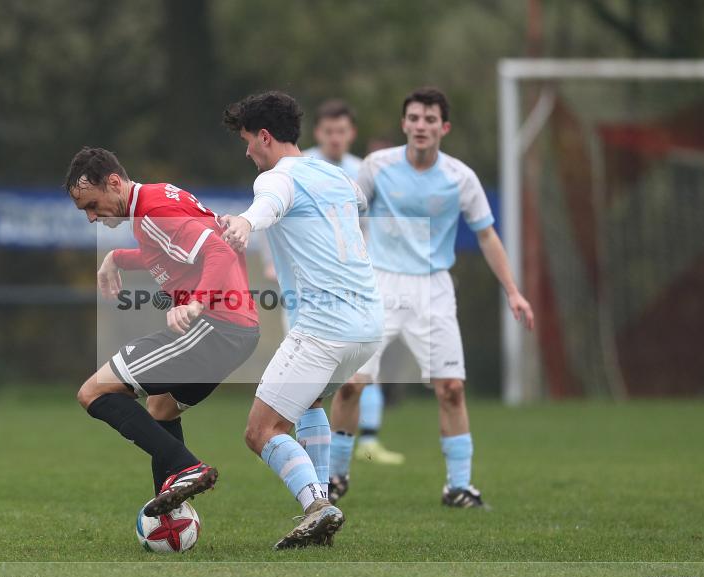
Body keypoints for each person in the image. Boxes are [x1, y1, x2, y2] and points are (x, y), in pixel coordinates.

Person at [329, 87, 535, 508]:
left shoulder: (460, 177)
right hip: (379, 285)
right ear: (404, 124)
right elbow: (345, 218)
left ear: (444, 127)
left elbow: (487, 234)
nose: (421, 126)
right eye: (414, 118)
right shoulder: (377, 167)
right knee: (351, 385)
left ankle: (458, 486)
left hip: (433, 288)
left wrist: (513, 291)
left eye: (429, 119)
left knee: (452, 389)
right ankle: (333, 478)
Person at [220, 91, 383, 549]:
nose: (247, 149)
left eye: (248, 140)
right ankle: (322, 511)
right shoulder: (336, 176)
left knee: (261, 431)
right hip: (368, 325)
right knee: (310, 404)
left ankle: (317, 506)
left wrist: (247, 224)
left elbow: (268, 204)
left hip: (325, 327)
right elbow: (358, 205)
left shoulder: (277, 178)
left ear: (265, 137)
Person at [65, 147, 260, 518]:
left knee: (94, 392)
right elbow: (174, 253)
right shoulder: (160, 197)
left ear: (114, 183)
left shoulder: (153, 212)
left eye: (91, 205)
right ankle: (171, 517)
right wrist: (116, 258)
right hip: (239, 330)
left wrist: (197, 303)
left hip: (214, 325)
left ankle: (187, 468)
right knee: (161, 405)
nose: (91, 217)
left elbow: (218, 251)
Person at [304, 100, 405, 467]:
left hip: (354, 283)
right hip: (308, 284)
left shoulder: (362, 171)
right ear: (317, 133)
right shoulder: (301, 168)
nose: (335, 137)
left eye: (341, 131)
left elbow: (373, 226)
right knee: (308, 368)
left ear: (351, 134)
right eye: (328, 131)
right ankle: (306, 445)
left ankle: (368, 442)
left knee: (363, 362)